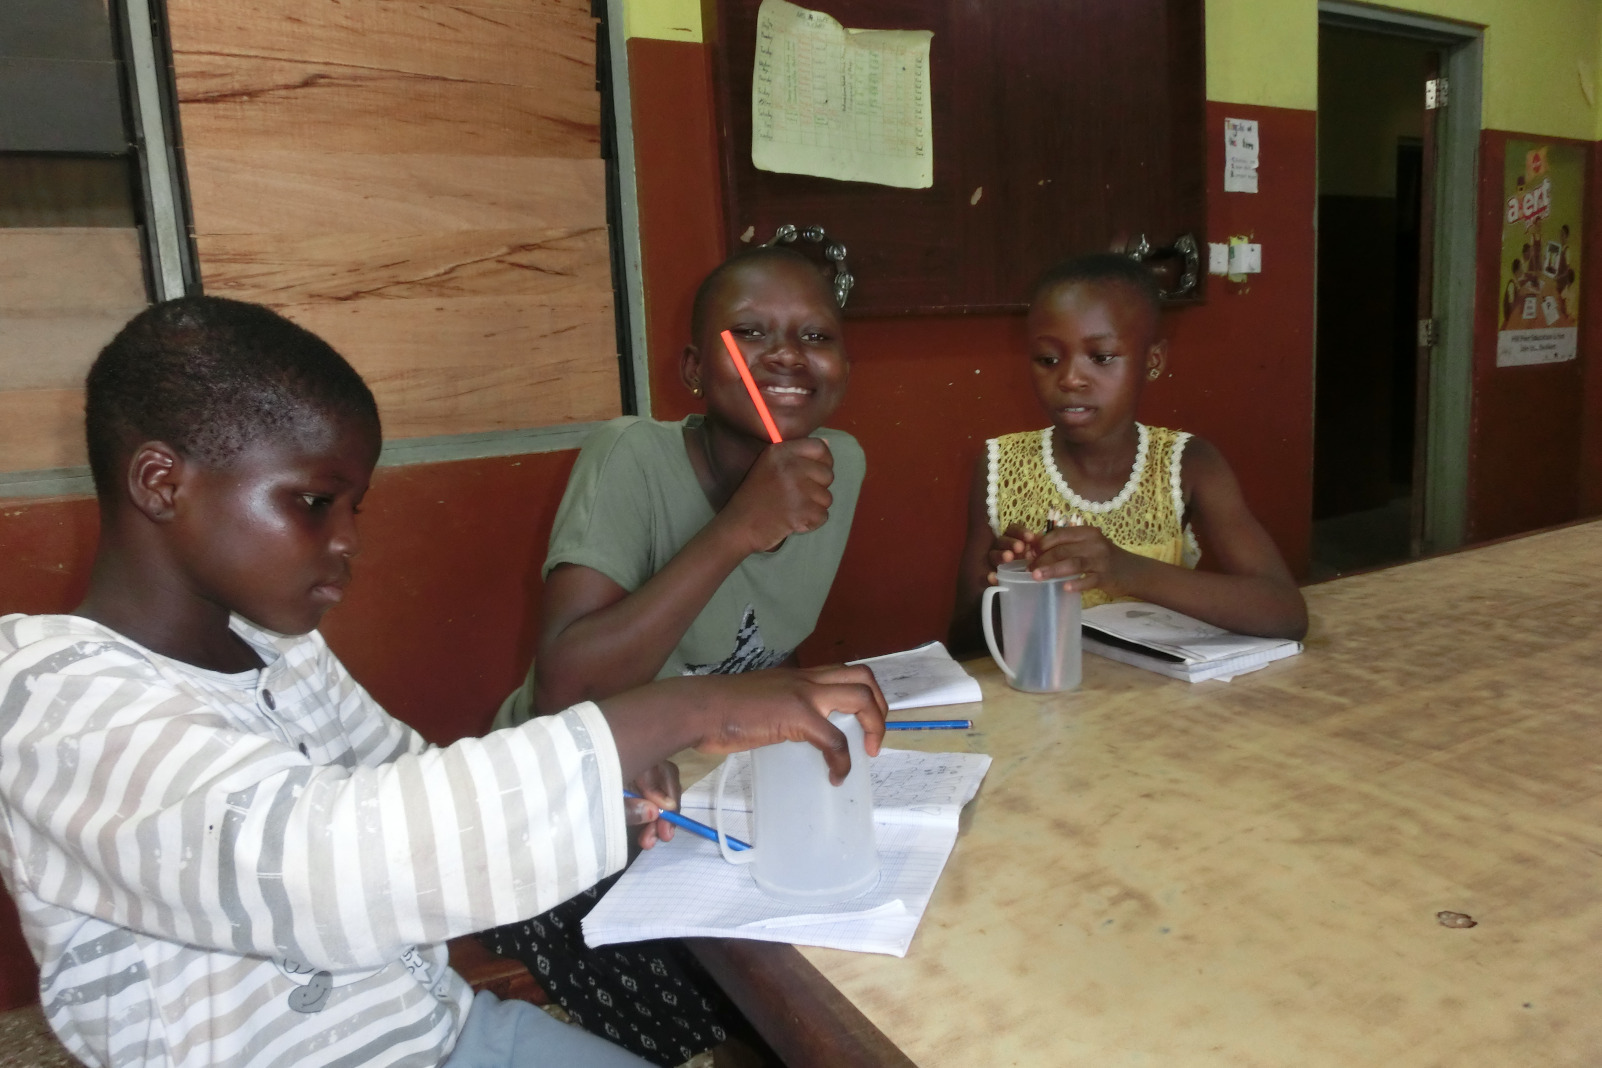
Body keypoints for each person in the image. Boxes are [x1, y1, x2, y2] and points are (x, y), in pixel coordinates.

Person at [0, 296, 886, 1068]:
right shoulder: (57, 705)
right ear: (162, 482)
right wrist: (686, 708)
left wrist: (608, 789)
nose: (348, 541)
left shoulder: (278, 650)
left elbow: (413, 782)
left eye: (356, 509)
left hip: (438, 1036)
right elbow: (331, 863)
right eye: (315, 502)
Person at [481, 244, 863, 1064]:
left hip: (714, 795)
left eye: (816, 336)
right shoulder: (629, 458)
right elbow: (566, 686)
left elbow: (765, 639)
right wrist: (736, 529)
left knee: (839, 938)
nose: (789, 355)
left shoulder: (842, 466)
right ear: (694, 366)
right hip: (574, 813)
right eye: (752, 333)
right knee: (741, 1013)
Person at [951, 253, 1307, 651]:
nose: (1069, 378)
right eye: (1048, 359)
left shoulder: (1188, 464)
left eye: (1101, 358)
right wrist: (1007, 583)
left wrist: (1126, 570)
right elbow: (965, 643)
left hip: (1155, 700)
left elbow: (1286, 613)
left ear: (1153, 360)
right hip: (1050, 699)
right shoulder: (1003, 465)